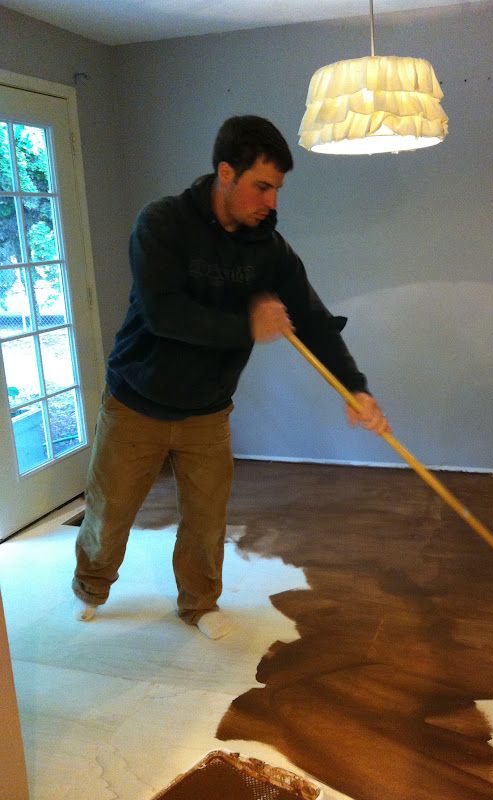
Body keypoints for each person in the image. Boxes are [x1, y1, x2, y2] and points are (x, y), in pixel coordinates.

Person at [72, 115, 390, 639]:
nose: (272, 202)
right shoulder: (162, 224)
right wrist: (248, 325)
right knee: (109, 514)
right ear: (226, 172)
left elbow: (311, 318)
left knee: (206, 521)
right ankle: (91, 586)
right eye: (262, 187)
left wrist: (354, 388)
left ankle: (199, 604)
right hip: (137, 402)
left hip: (209, 409)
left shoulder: (269, 249)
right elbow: (163, 315)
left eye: (277, 190)